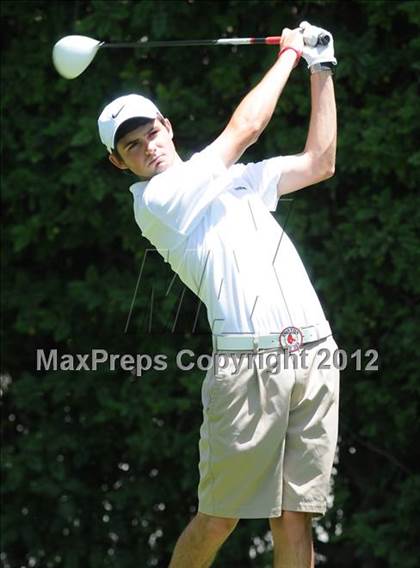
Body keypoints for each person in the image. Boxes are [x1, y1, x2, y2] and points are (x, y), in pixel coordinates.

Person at [98, 21, 338, 568]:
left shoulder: (240, 180)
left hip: (316, 352)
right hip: (250, 364)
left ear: (168, 126)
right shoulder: (157, 201)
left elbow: (320, 162)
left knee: (295, 517)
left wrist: (321, 68)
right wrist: (289, 56)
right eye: (132, 146)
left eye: (151, 132)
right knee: (219, 518)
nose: (148, 148)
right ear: (120, 162)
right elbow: (246, 127)